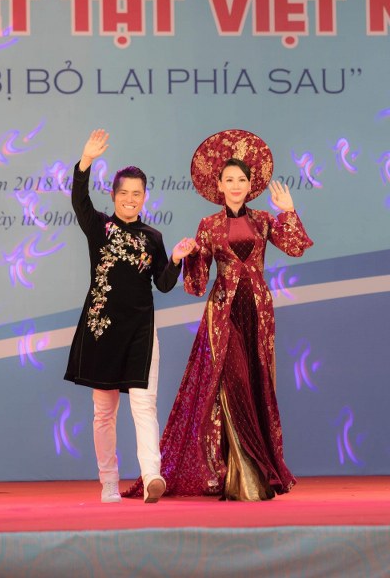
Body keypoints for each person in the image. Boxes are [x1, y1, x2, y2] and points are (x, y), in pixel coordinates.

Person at [124, 129, 313, 501]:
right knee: (233, 382)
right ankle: (242, 476)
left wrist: (289, 211)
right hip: (222, 314)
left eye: (241, 179)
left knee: (256, 384)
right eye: (229, 180)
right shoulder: (209, 226)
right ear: (219, 186)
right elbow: (196, 283)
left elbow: (295, 247)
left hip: (258, 312)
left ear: (250, 185)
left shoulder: (263, 220)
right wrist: (190, 255)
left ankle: (255, 470)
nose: (236, 185)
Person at [64, 129, 195, 503]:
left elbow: (164, 284)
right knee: (104, 412)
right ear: (114, 195)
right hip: (103, 329)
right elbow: (79, 199)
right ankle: (109, 481)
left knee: (144, 404)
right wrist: (86, 161)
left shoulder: (153, 237)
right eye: (124, 193)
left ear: (144, 197)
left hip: (141, 331)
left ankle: (152, 475)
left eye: (137, 193)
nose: (130, 199)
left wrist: (175, 260)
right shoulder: (99, 227)